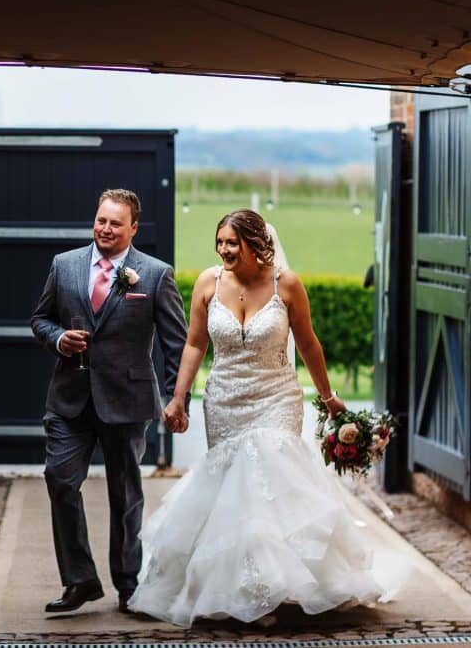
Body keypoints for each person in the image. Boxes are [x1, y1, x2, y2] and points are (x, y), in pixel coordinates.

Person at [128, 208, 401, 627]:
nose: (224, 250)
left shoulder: (286, 285)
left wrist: (328, 397)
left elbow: (308, 344)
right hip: (224, 401)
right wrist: (178, 397)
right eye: (219, 242)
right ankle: (241, 589)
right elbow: (195, 345)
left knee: (267, 474)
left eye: (232, 243)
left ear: (256, 244)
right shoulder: (208, 282)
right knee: (233, 492)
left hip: (276, 397)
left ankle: (270, 593)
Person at [30, 188, 188, 615]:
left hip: (127, 400)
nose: (105, 228)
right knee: (60, 480)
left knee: (125, 494)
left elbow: (177, 343)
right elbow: (40, 319)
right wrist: (59, 339)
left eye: (115, 223)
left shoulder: (154, 275)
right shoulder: (64, 266)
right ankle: (80, 580)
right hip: (69, 399)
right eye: (101, 220)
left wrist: (178, 398)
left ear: (133, 228)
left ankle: (127, 584)